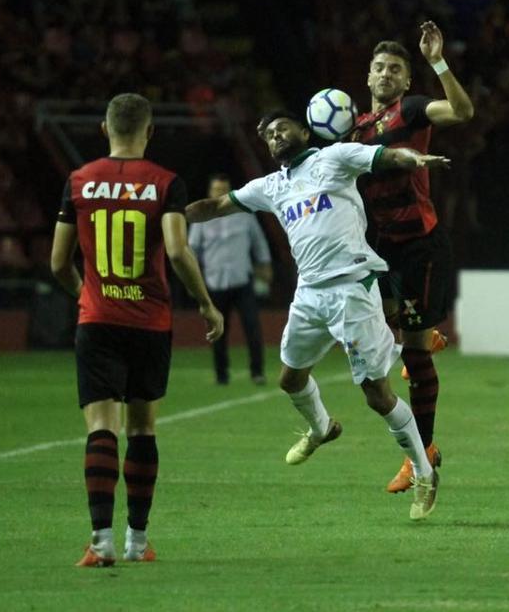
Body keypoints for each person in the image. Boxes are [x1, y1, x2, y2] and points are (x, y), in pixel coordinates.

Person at [186, 110, 449, 520]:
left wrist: (411, 158)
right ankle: (322, 427)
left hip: (351, 289)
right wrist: (170, 214)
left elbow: (381, 157)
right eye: (269, 133)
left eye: (282, 127)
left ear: (305, 130)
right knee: (289, 378)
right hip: (309, 294)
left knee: (378, 396)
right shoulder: (270, 187)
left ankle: (423, 470)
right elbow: (216, 205)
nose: (276, 135)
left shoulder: (333, 158)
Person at [51, 93, 224, 567]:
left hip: (98, 320)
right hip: (150, 322)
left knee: (101, 425)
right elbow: (175, 250)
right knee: (142, 428)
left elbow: (57, 263)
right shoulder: (166, 183)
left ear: (105, 130)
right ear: (149, 132)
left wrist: (87, 293)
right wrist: (207, 305)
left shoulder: (79, 181)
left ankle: (100, 541)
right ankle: (137, 541)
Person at [350, 21, 475, 494]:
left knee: (415, 355)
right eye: (379, 67)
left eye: (395, 69)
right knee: (378, 331)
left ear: (405, 81)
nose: (386, 74)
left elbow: (462, 111)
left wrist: (438, 62)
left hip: (418, 244)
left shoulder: (412, 110)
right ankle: (426, 335)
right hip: (376, 247)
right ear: (368, 77)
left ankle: (422, 454)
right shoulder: (353, 128)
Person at [189, 173, 274, 385]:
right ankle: (222, 374)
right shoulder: (201, 221)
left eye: (223, 190)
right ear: (210, 193)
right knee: (218, 332)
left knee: (252, 327)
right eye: (216, 190)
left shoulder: (244, 214)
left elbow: (259, 243)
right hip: (214, 282)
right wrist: (192, 280)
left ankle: (257, 372)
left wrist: (264, 265)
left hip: (242, 280)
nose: (220, 194)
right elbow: (191, 251)